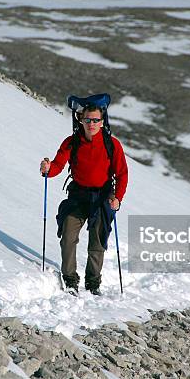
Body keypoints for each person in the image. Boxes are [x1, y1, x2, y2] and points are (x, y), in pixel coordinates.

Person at [40, 102, 128, 296]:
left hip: (102, 197)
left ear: (102, 122)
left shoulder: (112, 144)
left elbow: (122, 174)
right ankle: (70, 279)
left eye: (96, 120)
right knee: (68, 236)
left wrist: (117, 199)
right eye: (88, 119)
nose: (92, 124)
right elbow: (57, 165)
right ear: (81, 120)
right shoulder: (72, 142)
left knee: (97, 242)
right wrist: (48, 170)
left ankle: (93, 283)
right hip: (78, 196)